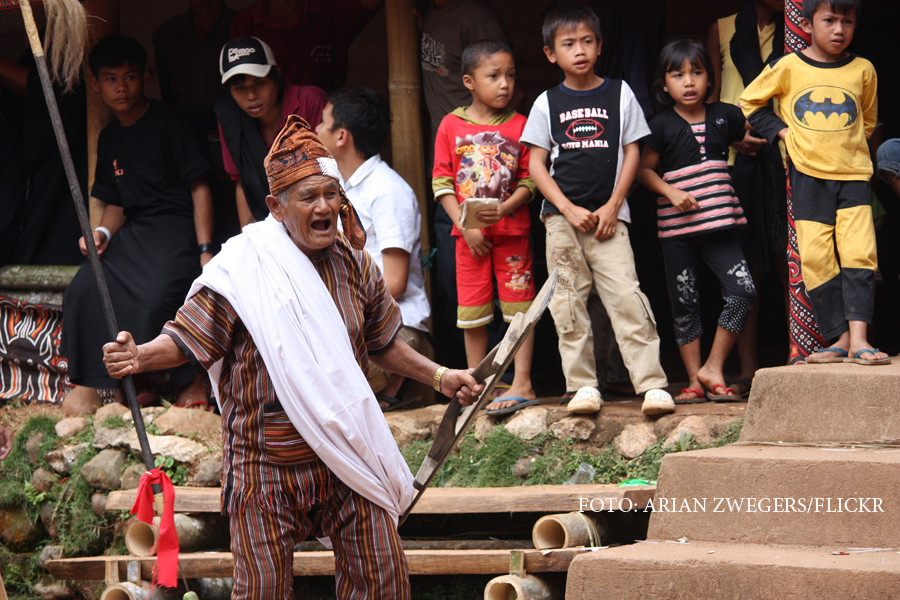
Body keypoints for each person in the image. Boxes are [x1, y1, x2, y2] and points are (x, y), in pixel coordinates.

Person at [102, 115, 481, 599]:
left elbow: (383, 342)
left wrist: (441, 375)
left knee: (382, 578)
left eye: (331, 194)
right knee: (262, 591)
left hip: (345, 452)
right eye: (309, 197)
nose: (324, 207)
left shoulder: (355, 264)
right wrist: (140, 356)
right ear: (276, 208)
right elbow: (188, 337)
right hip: (264, 465)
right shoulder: (242, 267)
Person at [520, 4, 674, 415]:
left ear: (600, 45)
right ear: (551, 53)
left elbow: (632, 151)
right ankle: (582, 385)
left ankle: (652, 384)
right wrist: (567, 209)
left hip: (610, 221)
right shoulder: (546, 102)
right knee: (568, 304)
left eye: (587, 41)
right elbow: (535, 164)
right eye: (568, 44)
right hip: (561, 223)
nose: (580, 50)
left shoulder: (619, 92)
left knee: (626, 297)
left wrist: (613, 205)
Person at [60, 35, 215, 416]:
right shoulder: (110, 136)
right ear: (96, 84)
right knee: (82, 288)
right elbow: (116, 202)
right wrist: (103, 233)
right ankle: (95, 386)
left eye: (129, 77)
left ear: (144, 77)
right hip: (136, 234)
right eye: (111, 79)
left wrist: (206, 251)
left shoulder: (169, 121)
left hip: (178, 229)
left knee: (153, 296)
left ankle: (189, 381)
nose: (121, 87)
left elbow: (199, 187)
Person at [740, 0, 888, 365]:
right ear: (807, 24)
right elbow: (749, 102)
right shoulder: (788, 67)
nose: (839, 29)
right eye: (829, 20)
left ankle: (860, 339)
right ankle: (837, 337)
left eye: (847, 21)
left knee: (859, 254)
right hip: (808, 178)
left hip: (853, 177)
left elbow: (867, 121)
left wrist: (846, 149)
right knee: (817, 258)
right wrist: (781, 132)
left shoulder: (863, 69)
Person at [639, 40, 757, 402]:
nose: (688, 82)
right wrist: (671, 193)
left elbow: (750, 135)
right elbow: (643, 170)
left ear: (710, 78)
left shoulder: (726, 116)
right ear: (664, 84)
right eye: (678, 75)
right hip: (678, 233)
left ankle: (713, 366)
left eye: (697, 72)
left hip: (722, 227)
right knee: (684, 304)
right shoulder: (660, 125)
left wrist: (763, 140)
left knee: (743, 291)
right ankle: (693, 379)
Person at [432, 39, 539, 416]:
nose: (504, 84)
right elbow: (442, 182)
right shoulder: (450, 125)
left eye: (510, 75)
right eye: (493, 76)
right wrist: (466, 223)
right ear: (469, 81)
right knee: (473, 312)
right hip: (470, 238)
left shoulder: (521, 124)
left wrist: (507, 207)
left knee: (519, 310)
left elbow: (530, 180)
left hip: (513, 234)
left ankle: (522, 380)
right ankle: (474, 387)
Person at [315, 86, 432, 411]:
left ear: (341, 136)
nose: (316, 130)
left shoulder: (388, 191)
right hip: (352, 319)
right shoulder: (339, 187)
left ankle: (391, 386)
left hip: (393, 326)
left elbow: (393, 282)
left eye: (323, 123)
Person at [420, 0, 511, 369]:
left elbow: (499, 77)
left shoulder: (475, 17)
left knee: (505, 289)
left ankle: (504, 374)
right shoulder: (428, 13)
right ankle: (470, 374)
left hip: (489, 180)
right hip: (453, 188)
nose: (504, 82)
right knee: (459, 285)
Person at [708, 0, 787, 386]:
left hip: (786, 153)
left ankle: (799, 354)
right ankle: (749, 365)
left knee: (790, 257)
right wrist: (732, 136)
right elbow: (714, 95)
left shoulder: (801, 27)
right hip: (736, 160)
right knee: (746, 264)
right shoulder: (722, 29)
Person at [215, 36, 326, 227]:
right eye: (240, 88)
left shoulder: (309, 101)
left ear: (277, 76)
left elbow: (327, 174)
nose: (251, 96)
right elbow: (242, 181)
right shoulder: (230, 117)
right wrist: (250, 236)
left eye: (259, 83)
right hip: (268, 223)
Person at [229, 0, 377, 91]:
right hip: (266, 127)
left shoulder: (330, 11)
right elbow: (239, 83)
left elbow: (370, 3)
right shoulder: (246, 23)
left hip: (322, 124)